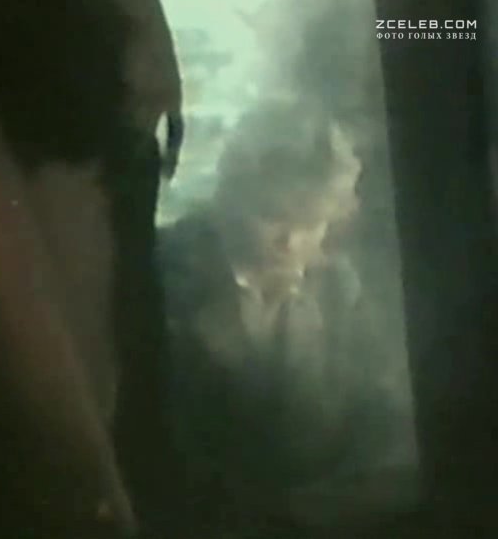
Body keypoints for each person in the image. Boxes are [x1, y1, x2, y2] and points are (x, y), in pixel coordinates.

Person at [158, 97, 414, 525]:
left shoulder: (337, 286)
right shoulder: (164, 273)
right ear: (230, 196)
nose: (290, 242)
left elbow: (381, 411)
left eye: (310, 222)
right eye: (272, 216)